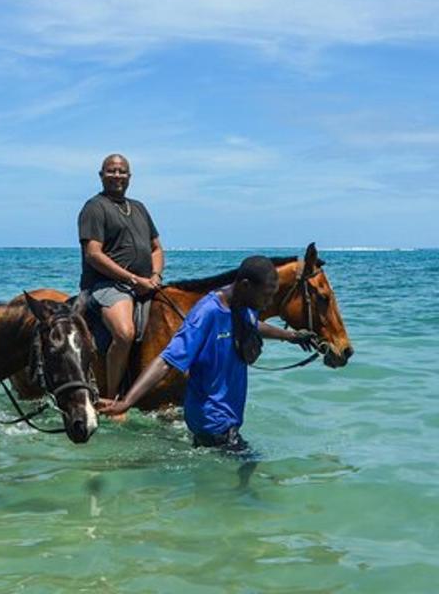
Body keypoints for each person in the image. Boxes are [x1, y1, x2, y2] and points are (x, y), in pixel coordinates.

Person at [97, 256, 314, 452]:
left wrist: (290, 336)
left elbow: (254, 325)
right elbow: (166, 360)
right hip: (211, 420)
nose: (268, 302)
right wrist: (126, 402)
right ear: (246, 286)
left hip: (228, 418)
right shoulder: (207, 313)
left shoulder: (244, 306)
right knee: (247, 476)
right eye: (266, 296)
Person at [78, 153, 165, 398]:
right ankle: (111, 396)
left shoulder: (139, 208)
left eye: (122, 171)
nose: (117, 175)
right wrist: (133, 279)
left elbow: (157, 248)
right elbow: (94, 254)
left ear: (129, 176)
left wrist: (155, 276)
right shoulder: (95, 207)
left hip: (147, 282)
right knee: (124, 332)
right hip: (106, 285)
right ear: (101, 175)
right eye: (111, 170)